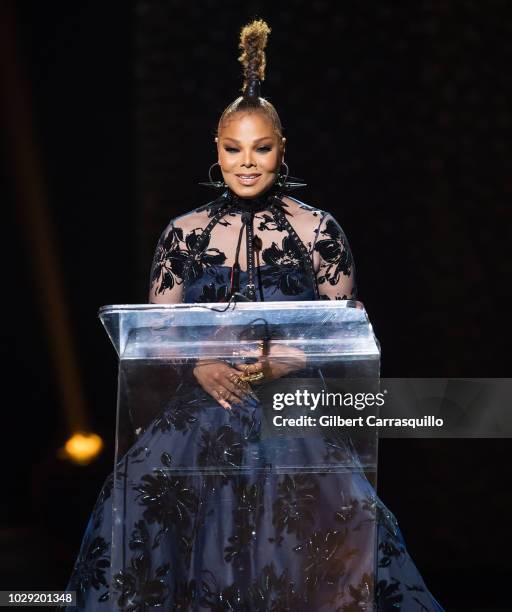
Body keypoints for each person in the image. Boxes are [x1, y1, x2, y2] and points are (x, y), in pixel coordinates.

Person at [67, 19, 444, 611]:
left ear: (281, 148)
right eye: (233, 148)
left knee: (311, 555)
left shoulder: (316, 230)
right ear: (215, 151)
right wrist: (199, 366)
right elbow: (157, 332)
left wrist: (279, 362)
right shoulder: (184, 234)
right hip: (200, 417)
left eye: (261, 148)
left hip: (289, 421)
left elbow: (341, 329)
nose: (248, 162)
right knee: (142, 512)